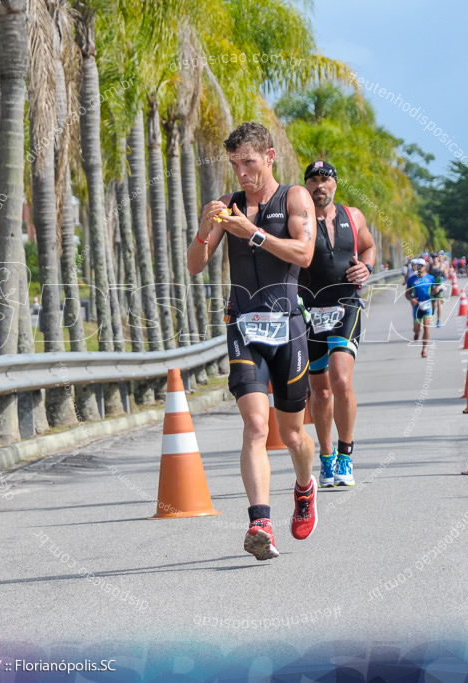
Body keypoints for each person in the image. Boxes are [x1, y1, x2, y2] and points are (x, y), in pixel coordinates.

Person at [187, 122, 317, 561]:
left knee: (293, 433)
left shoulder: (295, 198)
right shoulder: (229, 206)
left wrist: (254, 234)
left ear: (270, 157)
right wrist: (206, 230)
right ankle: (260, 521)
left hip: (288, 326)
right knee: (257, 426)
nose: (242, 173)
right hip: (244, 326)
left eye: (249, 163)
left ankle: (304, 489)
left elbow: (304, 254)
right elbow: (195, 265)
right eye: (235, 164)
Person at [298, 160, 376, 488]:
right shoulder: (298, 220)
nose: (320, 186)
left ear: (335, 184)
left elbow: (369, 246)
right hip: (310, 309)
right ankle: (327, 457)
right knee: (320, 389)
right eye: (313, 181)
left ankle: (346, 453)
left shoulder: (353, 215)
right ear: (306, 186)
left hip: (347, 304)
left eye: (325, 180)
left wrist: (367, 268)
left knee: (341, 380)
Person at [405, 258, 439, 358]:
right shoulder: (411, 279)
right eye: (417, 266)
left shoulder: (430, 278)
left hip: (427, 305)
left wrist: (436, 291)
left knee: (426, 327)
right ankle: (416, 333)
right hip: (417, 306)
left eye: (421, 266)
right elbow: (407, 294)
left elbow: (433, 291)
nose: (419, 268)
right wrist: (411, 299)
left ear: (425, 267)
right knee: (416, 328)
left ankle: (424, 350)